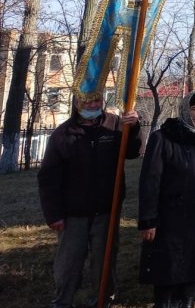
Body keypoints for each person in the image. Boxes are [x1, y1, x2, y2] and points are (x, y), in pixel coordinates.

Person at [39, 92, 142, 308]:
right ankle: (63, 300)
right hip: (73, 212)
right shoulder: (64, 133)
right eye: (87, 101)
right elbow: (48, 177)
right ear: (77, 103)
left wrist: (133, 129)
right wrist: (54, 215)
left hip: (106, 209)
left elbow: (132, 152)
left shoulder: (114, 124)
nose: (93, 105)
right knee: (69, 261)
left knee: (104, 259)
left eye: (97, 100)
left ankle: (104, 298)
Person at [138, 90, 195, 308]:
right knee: (169, 263)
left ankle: (188, 301)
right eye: (194, 109)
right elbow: (150, 181)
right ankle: (164, 302)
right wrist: (148, 219)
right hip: (171, 215)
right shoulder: (164, 137)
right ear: (185, 109)